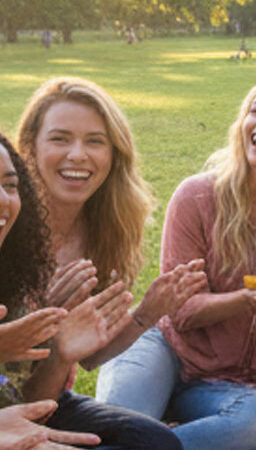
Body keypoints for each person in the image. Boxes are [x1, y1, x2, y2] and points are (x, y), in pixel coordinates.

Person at [95, 74, 256, 450]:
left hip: (238, 389)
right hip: (164, 351)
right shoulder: (197, 197)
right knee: (117, 421)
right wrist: (246, 300)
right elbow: (180, 313)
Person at [15, 77, 207, 374]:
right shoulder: (8, 221)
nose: (78, 154)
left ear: (114, 154)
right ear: (30, 147)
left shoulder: (108, 230)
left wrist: (147, 313)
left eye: (95, 141)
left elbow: (89, 357)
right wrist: (43, 319)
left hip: (51, 397)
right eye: (60, 139)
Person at [0, 131, 178, 449]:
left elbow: (30, 406)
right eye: (59, 138)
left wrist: (59, 353)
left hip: (20, 412)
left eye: (9, 185)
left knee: (157, 442)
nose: (3, 199)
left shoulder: (14, 268)